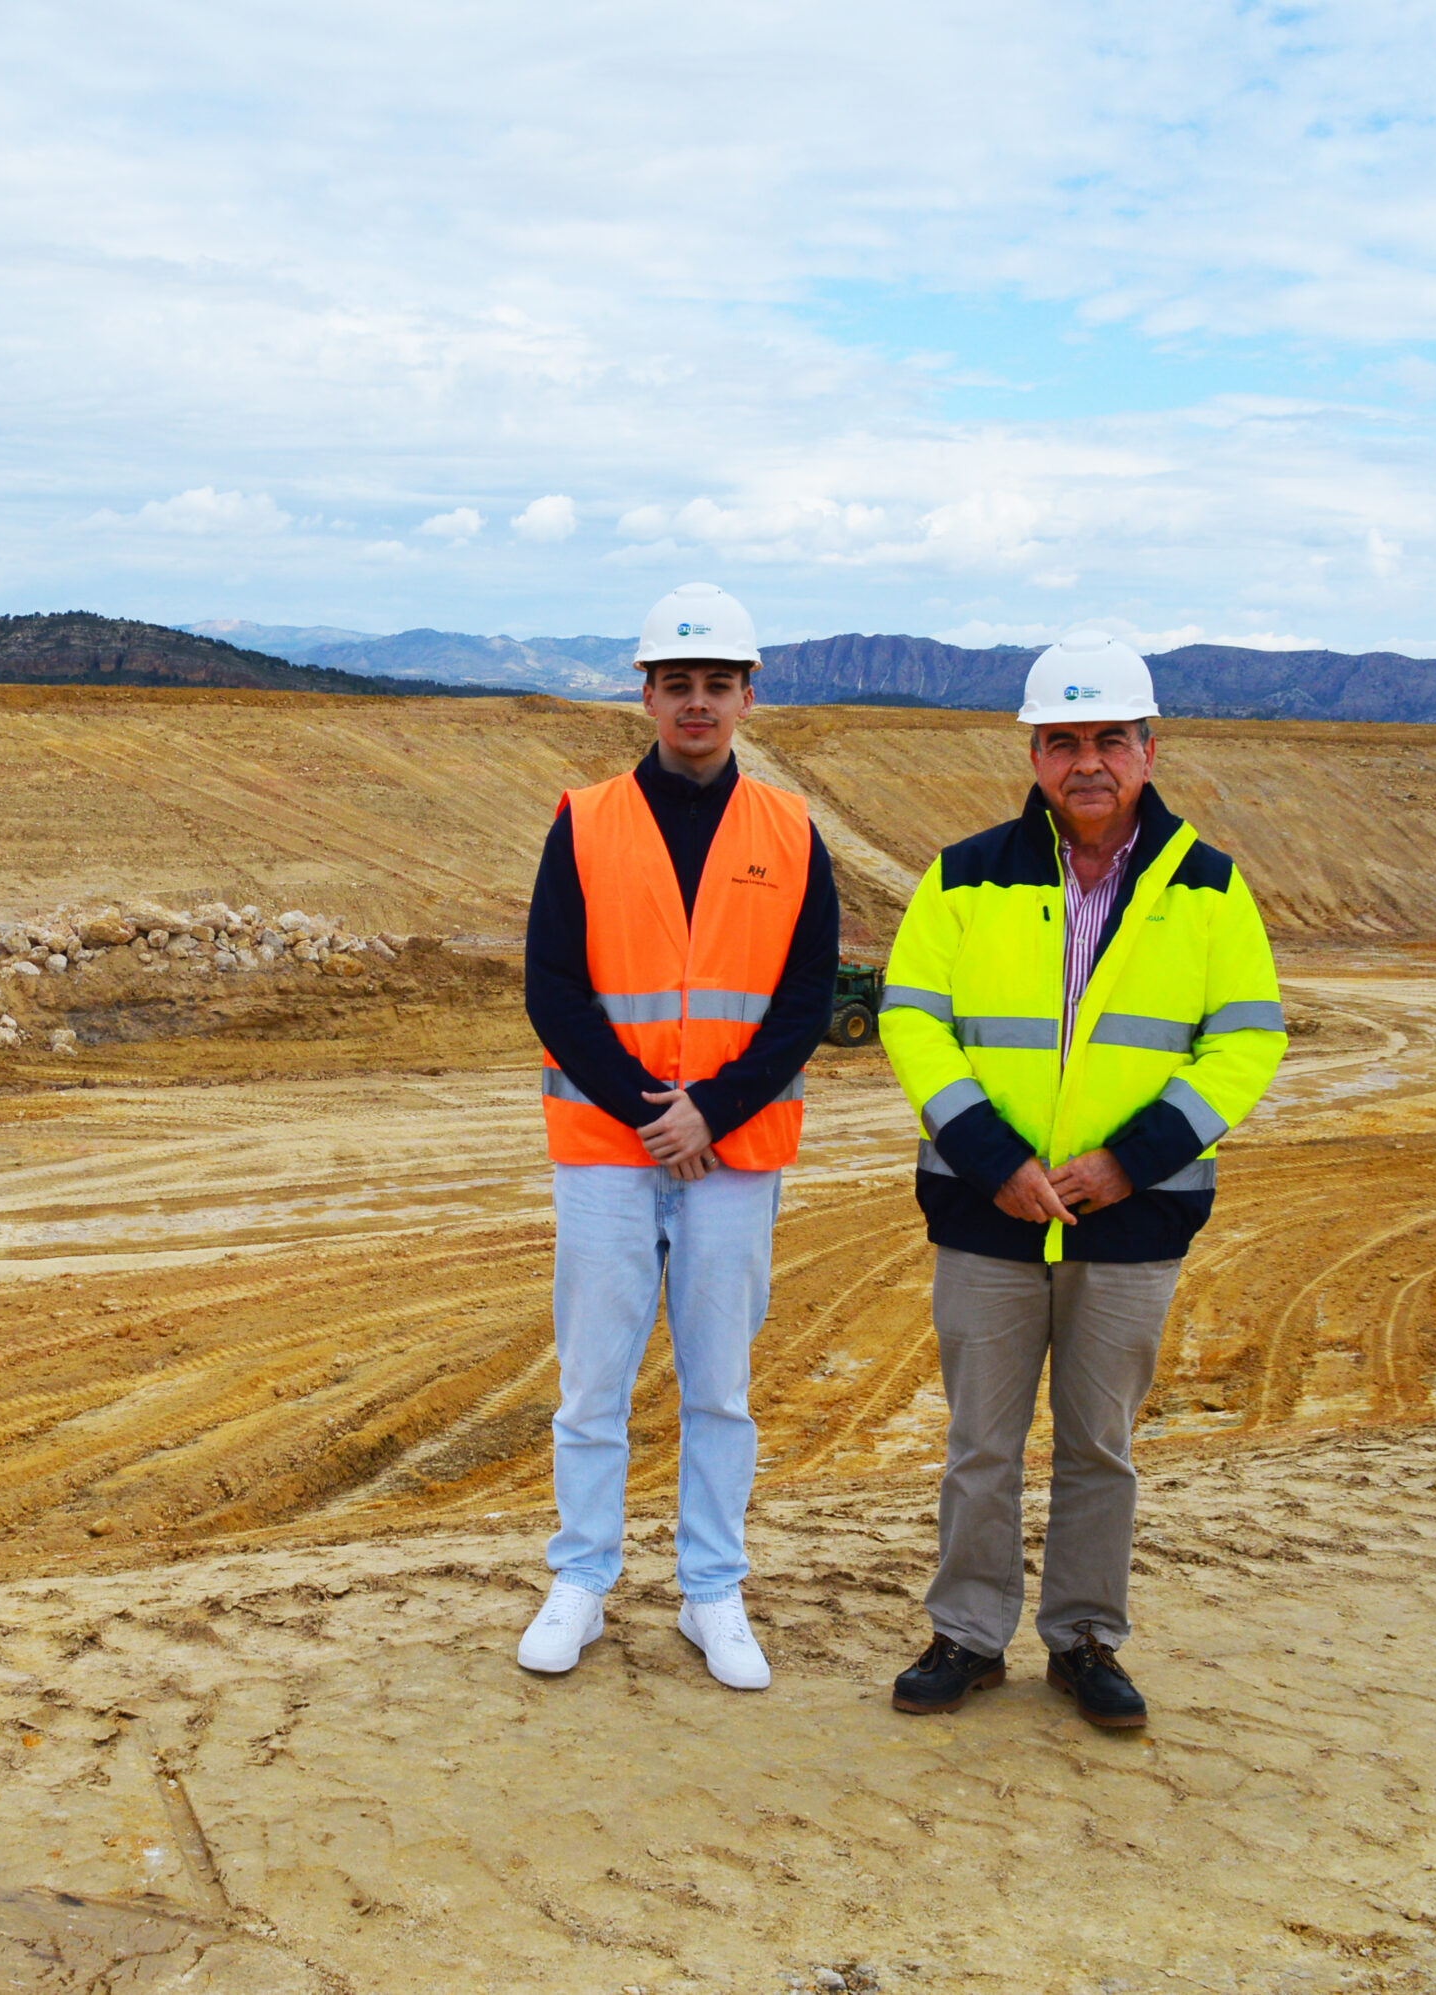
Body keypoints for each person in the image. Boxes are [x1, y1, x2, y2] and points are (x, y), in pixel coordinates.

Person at [875, 631, 1286, 1728]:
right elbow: (911, 1016)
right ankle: (966, 1635)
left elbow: (1247, 1040)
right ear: (1034, 753)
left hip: (1134, 1217)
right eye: (1063, 741)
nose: (1087, 762)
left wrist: (1131, 1161)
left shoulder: (1207, 887)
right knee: (981, 1446)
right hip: (984, 1209)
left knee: (1100, 1446)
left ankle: (1086, 1640)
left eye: (1110, 738)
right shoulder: (964, 876)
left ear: (1150, 749)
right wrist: (992, 1159)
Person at [515, 582, 841, 1689]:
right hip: (613, 1149)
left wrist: (716, 1110)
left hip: (733, 1158)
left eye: (717, 685)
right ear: (645, 694)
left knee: (719, 1388)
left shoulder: (792, 833)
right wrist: (657, 1115)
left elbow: (803, 1001)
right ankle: (581, 1583)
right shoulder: (587, 819)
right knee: (593, 1381)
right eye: (677, 684)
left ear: (748, 697)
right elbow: (554, 989)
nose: (696, 703)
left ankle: (713, 1592)